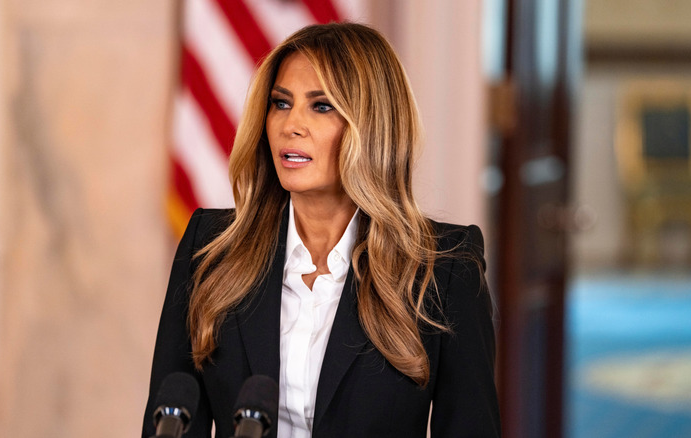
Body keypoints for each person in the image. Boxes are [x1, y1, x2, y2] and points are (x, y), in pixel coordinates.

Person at [143, 22, 500, 438]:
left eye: (321, 106)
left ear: (372, 126)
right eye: (280, 103)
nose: (290, 125)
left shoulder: (446, 268)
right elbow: (171, 417)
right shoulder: (210, 248)